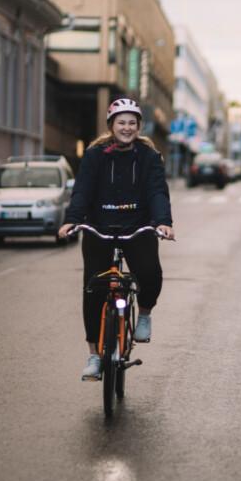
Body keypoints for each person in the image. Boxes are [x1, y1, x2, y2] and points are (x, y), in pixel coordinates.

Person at [59, 98, 174, 381]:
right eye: (121, 122)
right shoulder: (95, 155)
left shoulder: (148, 156)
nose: (127, 127)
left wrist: (162, 223)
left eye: (132, 123)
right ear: (111, 125)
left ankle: (144, 314)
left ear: (138, 127)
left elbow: (157, 191)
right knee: (93, 289)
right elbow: (83, 191)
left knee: (150, 273)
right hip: (99, 227)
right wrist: (73, 220)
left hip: (138, 227)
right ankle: (94, 356)